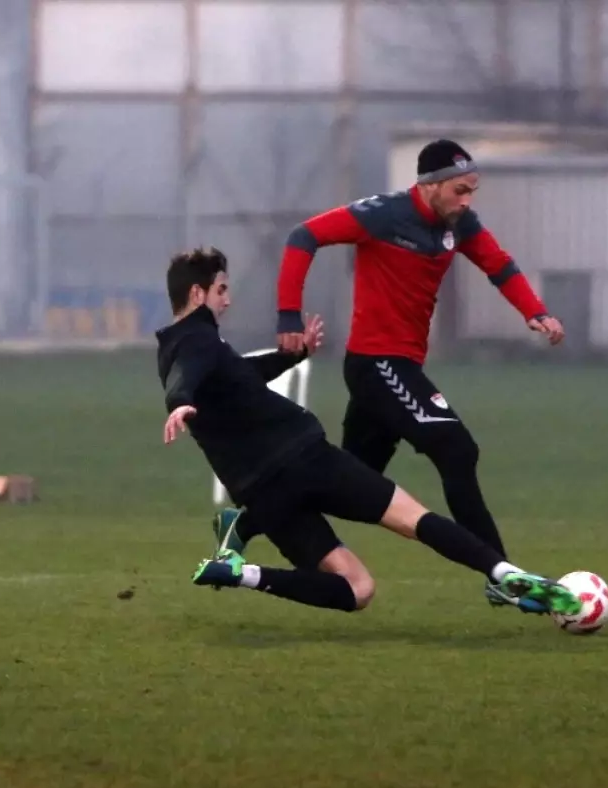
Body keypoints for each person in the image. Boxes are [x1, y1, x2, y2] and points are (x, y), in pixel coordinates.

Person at [211, 138, 565, 613]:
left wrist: (534, 311)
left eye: (472, 191)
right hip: (379, 365)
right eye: (460, 190)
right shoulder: (382, 215)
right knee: (457, 449)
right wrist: (288, 317)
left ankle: (245, 523)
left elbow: (498, 265)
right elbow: (303, 237)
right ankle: (500, 573)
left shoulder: (460, 224)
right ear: (432, 185)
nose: (467, 201)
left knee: (353, 479)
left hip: (396, 366)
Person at [157, 246, 581, 618]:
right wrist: (179, 403)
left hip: (262, 495)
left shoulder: (182, 346)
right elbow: (186, 378)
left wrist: (295, 355)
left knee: (358, 589)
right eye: (221, 290)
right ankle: (505, 574)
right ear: (198, 294)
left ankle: (242, 574)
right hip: (308, 460)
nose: (228, 300)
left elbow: (237, 375)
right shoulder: (198, 342)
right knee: (415, 519)